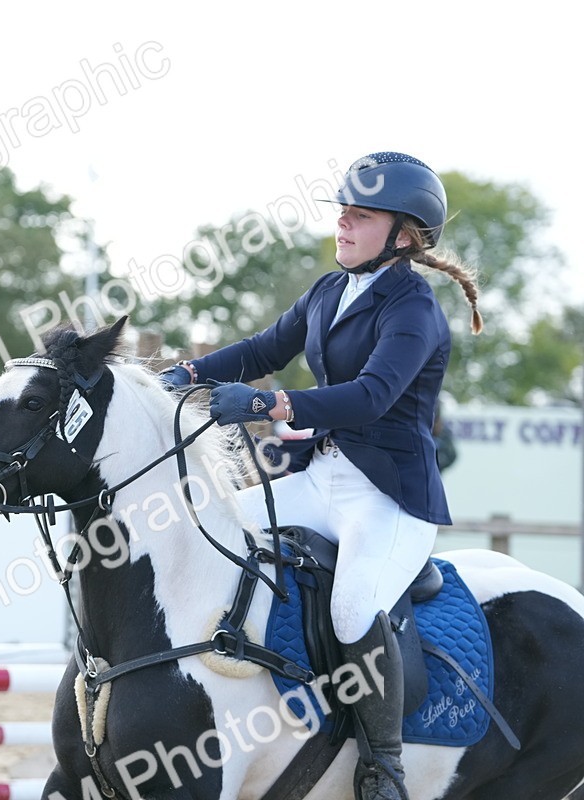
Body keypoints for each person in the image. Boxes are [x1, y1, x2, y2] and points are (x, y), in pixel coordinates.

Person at [160, 152, 482, 800]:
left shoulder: (415, 309)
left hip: (388, 496)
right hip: (322, 476)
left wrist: (269, 404)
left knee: (354, 606)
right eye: (342, 212)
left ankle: (383, 765)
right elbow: (261, 349)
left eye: (358, 216)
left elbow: (371, 396)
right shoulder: (331, 290)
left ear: (405, 234)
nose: (342, 225)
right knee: (213, 532)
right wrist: (183, 376)